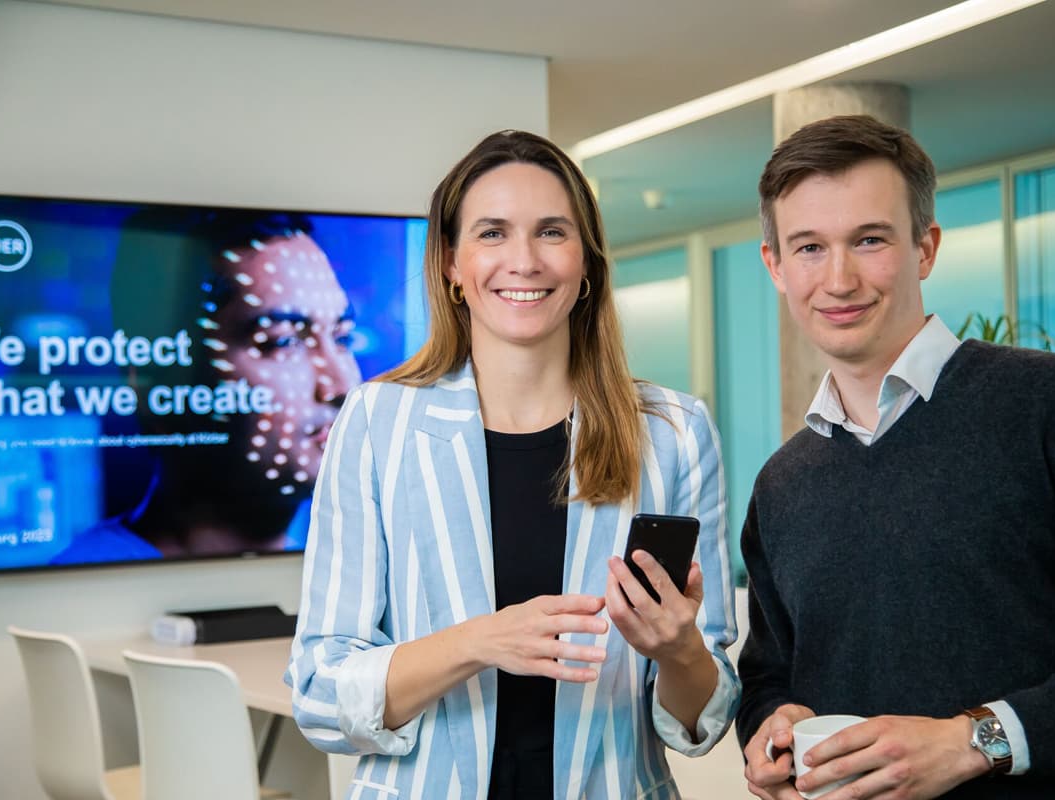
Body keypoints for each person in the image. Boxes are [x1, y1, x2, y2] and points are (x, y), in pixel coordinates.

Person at [287, 129, 740, 799]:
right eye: (492, 233)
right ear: (451, 263)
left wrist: (678, 651)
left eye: (552, 232)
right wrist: (479, 641)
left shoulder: (673, 431)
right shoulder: (378, 422)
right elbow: (321, 693)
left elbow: (702, 720)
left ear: (586, 261)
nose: (523, 261)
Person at [737, 114, 1055, 799]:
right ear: (774, 266)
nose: (837, 279)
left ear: (925, 248)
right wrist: (773, 726)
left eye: (869, 240)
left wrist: (976, 740)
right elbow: (769, 677)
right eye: (809, 248)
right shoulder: (783, 484)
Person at [53, 210, 363, 563]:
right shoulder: (87, 589)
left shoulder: (352, 553)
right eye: (283, 342)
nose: (341, 387)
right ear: (159, 384)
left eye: (342, 338)